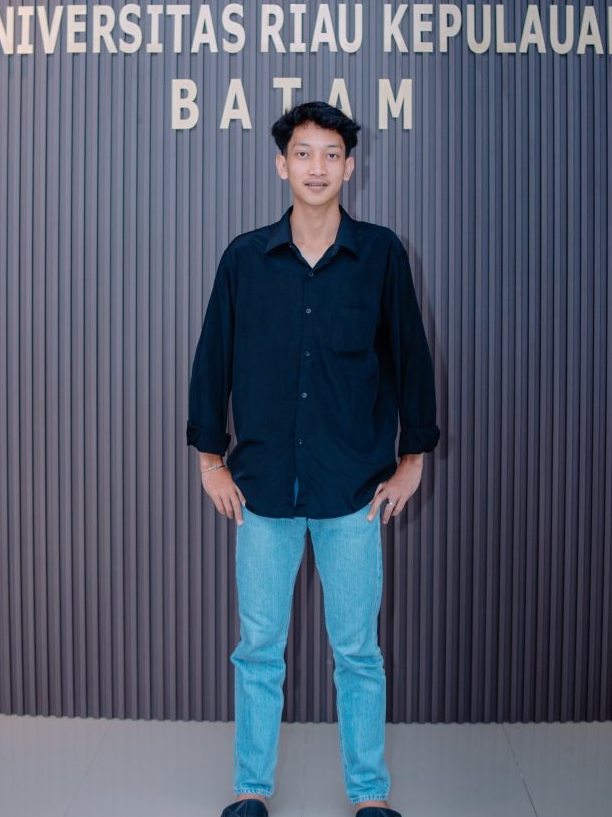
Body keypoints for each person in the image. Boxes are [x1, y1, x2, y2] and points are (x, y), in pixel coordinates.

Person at [187, 102, 440, 817]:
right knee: (258, 649)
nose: (317, 167)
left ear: (350, 167)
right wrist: (209, 459)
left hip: (352, 488)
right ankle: (250, 789)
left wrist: (414, 457)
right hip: (263, 488)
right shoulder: (245, 258)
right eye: (304, 153)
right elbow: (212, 359)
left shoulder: (381, 254)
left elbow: (411, 356)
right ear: (282, 164)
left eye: (332, 154)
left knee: (357, 652)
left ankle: (370, 795)